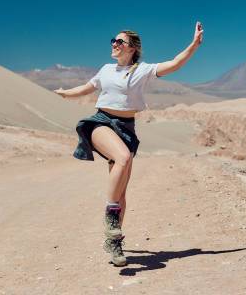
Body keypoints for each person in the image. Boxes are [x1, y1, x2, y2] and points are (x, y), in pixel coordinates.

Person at [54, 22, 204, 266]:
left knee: (122, 191)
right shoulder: (105, 69)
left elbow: (175, 63)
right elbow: (87, 88)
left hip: (126, 128)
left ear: (133, 48)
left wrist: (194, 45)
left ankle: (114, 243)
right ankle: (110, 216)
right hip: (101, 122)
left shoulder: (143, 70)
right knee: (122, 158)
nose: (114, 44)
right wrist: (65, 93)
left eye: (120, 41)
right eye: (113, 40)